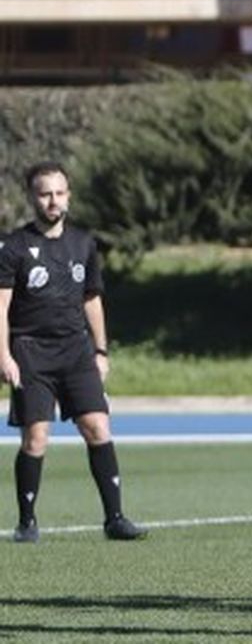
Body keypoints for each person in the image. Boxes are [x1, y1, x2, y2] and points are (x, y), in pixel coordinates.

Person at [1, 162, 146, 542]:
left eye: (60, 193)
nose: (53, 201)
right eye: (45, 193)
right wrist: (4, 355)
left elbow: (92, 299)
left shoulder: (83, 243)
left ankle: (115, 518)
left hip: (76, 350)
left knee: (97, 427)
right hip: (30, 350)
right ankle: (27, 522)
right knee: (36, 438)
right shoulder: (14, 246)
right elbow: (0, 308)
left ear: (69, 196)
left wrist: (101, 350)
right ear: (33, 198)